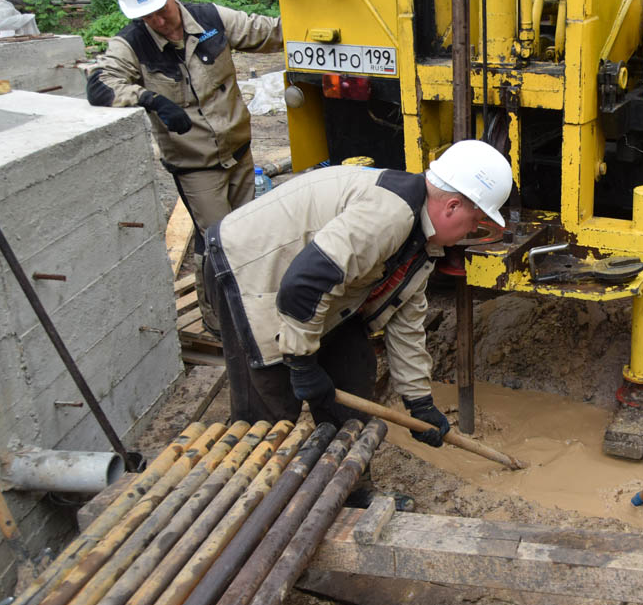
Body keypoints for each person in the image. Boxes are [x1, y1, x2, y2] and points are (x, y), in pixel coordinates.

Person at [202, 140, 513, 443]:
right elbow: (303, 286)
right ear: (452, 206)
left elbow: (406, 324)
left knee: (351, 374)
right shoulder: (388, 215)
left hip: (320, 289)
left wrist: (420, 404)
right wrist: (301, 363)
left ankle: (349, 490)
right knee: (272, 401)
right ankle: (254, 486)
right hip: (251, 269)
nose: (473, 230)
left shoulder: (422, 243)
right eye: (474, 220)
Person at [86, 0, 283, 334]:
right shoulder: (132, 44)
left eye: (162, 10)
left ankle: (252, 306)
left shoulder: (211, 19)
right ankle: (220, 322)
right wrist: (150, 99)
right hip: (195, 165)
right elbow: (99, 85)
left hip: (238, 152)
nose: (159, 22)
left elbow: (269, 31)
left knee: (244, 234)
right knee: (218, 243)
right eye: (147, 17)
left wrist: (322, 24)